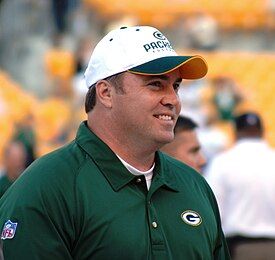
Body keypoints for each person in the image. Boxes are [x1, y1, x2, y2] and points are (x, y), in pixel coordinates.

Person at [0, 25, 230, 259]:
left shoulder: (194, 185)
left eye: (176, 86)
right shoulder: (46, 188)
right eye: (156, 84)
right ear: (106, 93)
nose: (173, 99)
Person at [205, 112, 275, 259]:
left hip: (239, 248)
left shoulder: (222, 162)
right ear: (262, 132)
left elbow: (213, 210)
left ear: (235, 132)